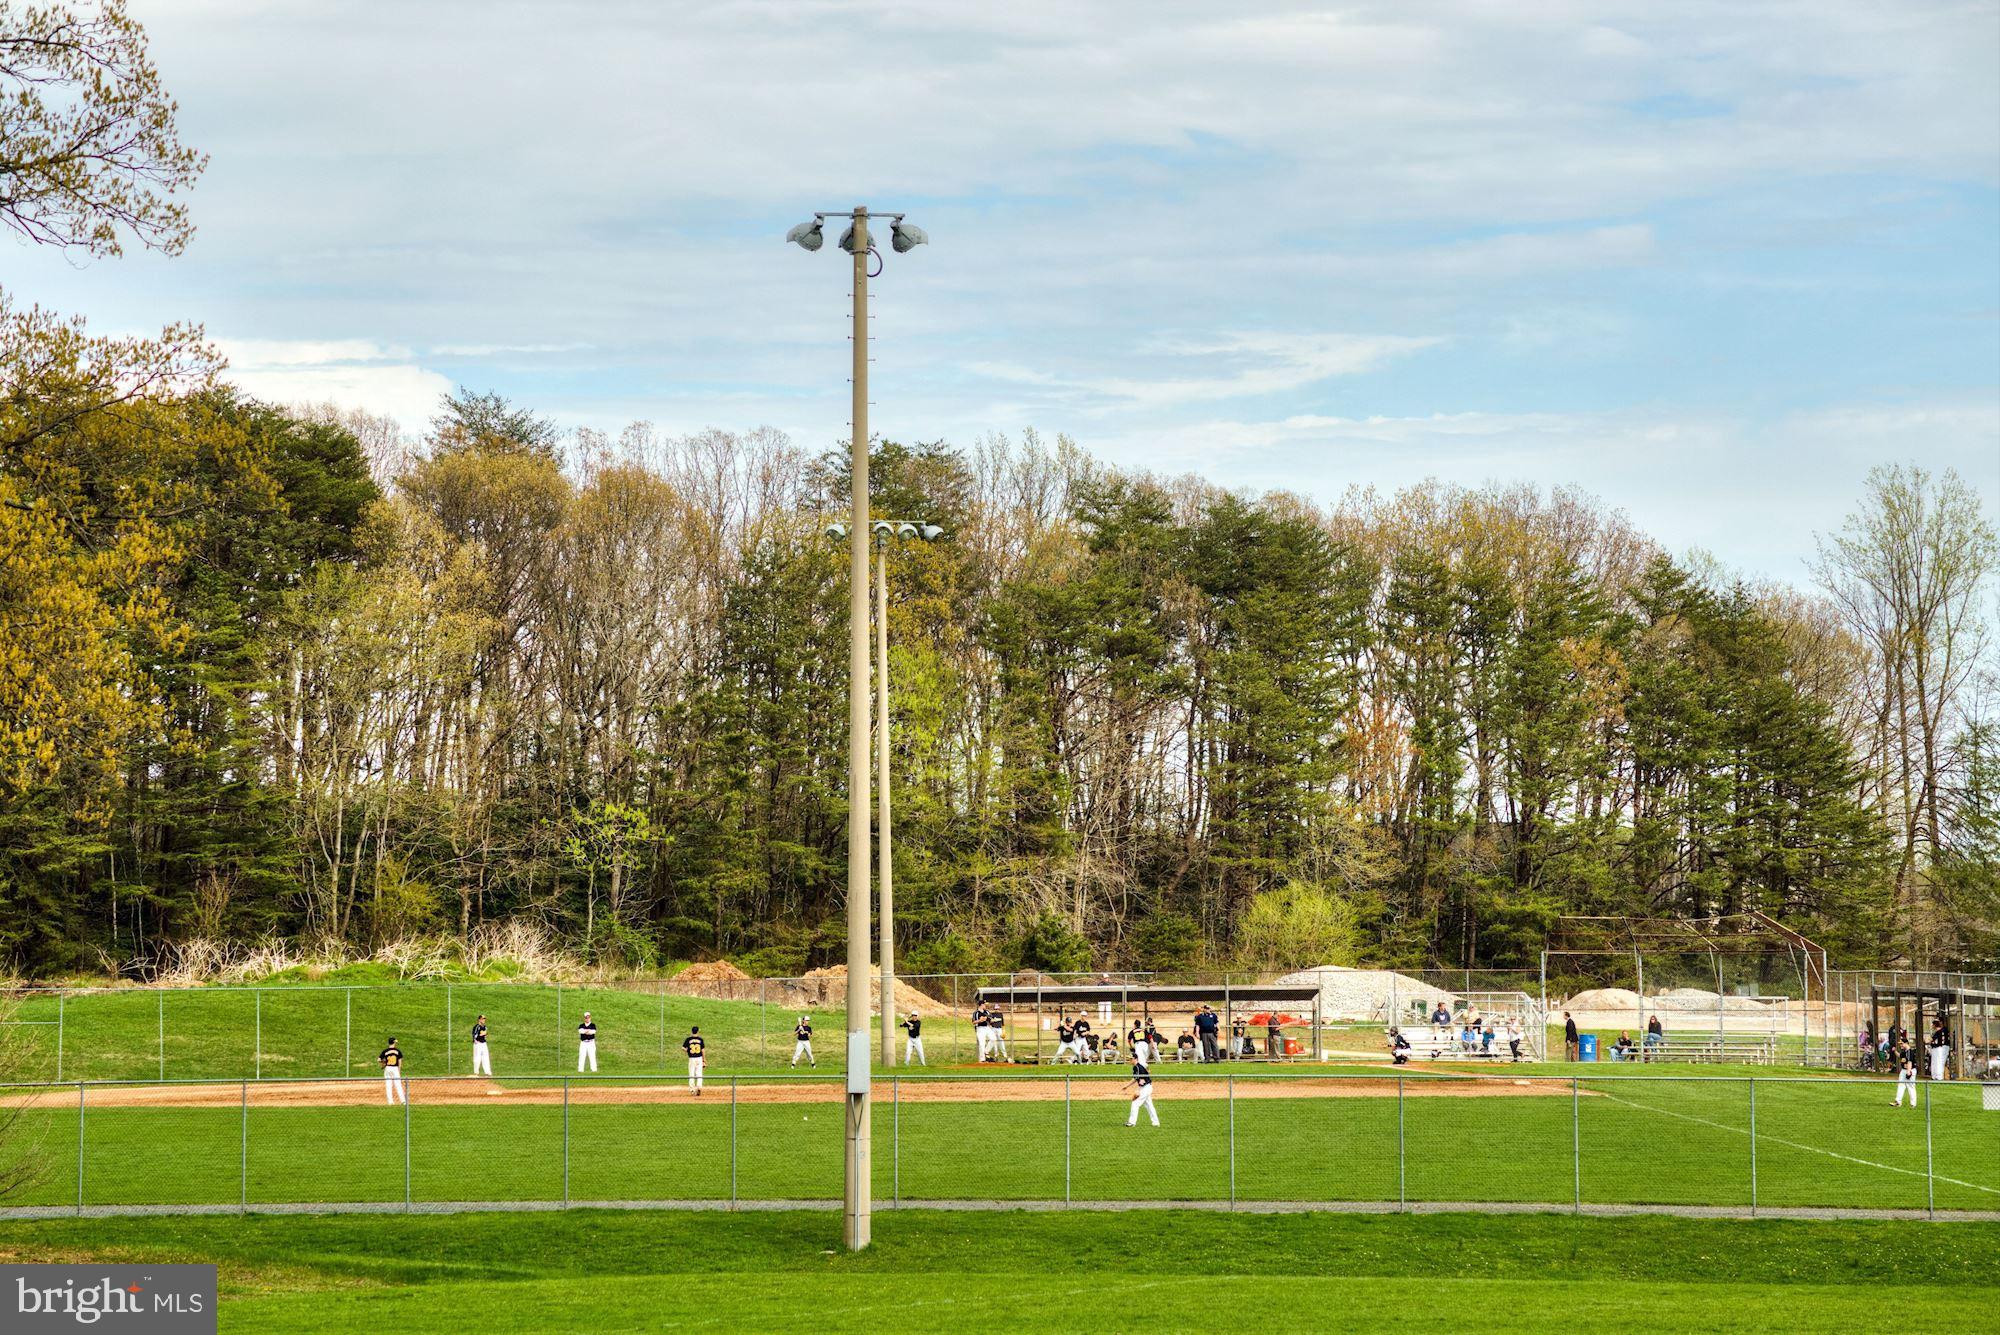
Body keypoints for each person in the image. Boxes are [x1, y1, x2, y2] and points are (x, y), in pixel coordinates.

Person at [1123, 1055, 1159, 1127]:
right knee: (1149, 1106)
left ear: (1135, 1059)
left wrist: (1138, 1091)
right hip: (1146, 1087)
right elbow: (1136, 1078)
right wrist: (1126, 1086)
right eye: (1129, 1059)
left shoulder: (1139, 1068)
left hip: (1145, 1088)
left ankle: (1132, 1122)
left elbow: (1142, 1081)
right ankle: (1156, 1123)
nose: (1130, 1060)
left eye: (1131, 1059)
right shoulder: (1135, 1067)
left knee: (1135, 1103)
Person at [380, 1037, 406, 1105]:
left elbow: (379, 1059)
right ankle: (403, 1101)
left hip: (388, 1068)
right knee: (398, 1085)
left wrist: (384, 1062)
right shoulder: (397, 1051)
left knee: (388, 1085)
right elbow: (400, 1061)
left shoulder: (385, 1051)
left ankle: (390, 1102)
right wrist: (399, 1070)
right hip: (395, 1068)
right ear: (394, 1042)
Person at [682, 1025, 705, 1094]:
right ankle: (699, 1088)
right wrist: (704, 1060)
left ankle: (692, 1090)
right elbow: (703, 1050)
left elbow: (683, 1048)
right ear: (697, 1031)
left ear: (692, 1031)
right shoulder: (700, 1040)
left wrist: (688, 1051)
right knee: (699, 1073)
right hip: (699, 1058)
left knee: (691, 1073)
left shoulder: (688, 1039)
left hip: (692, 1058)